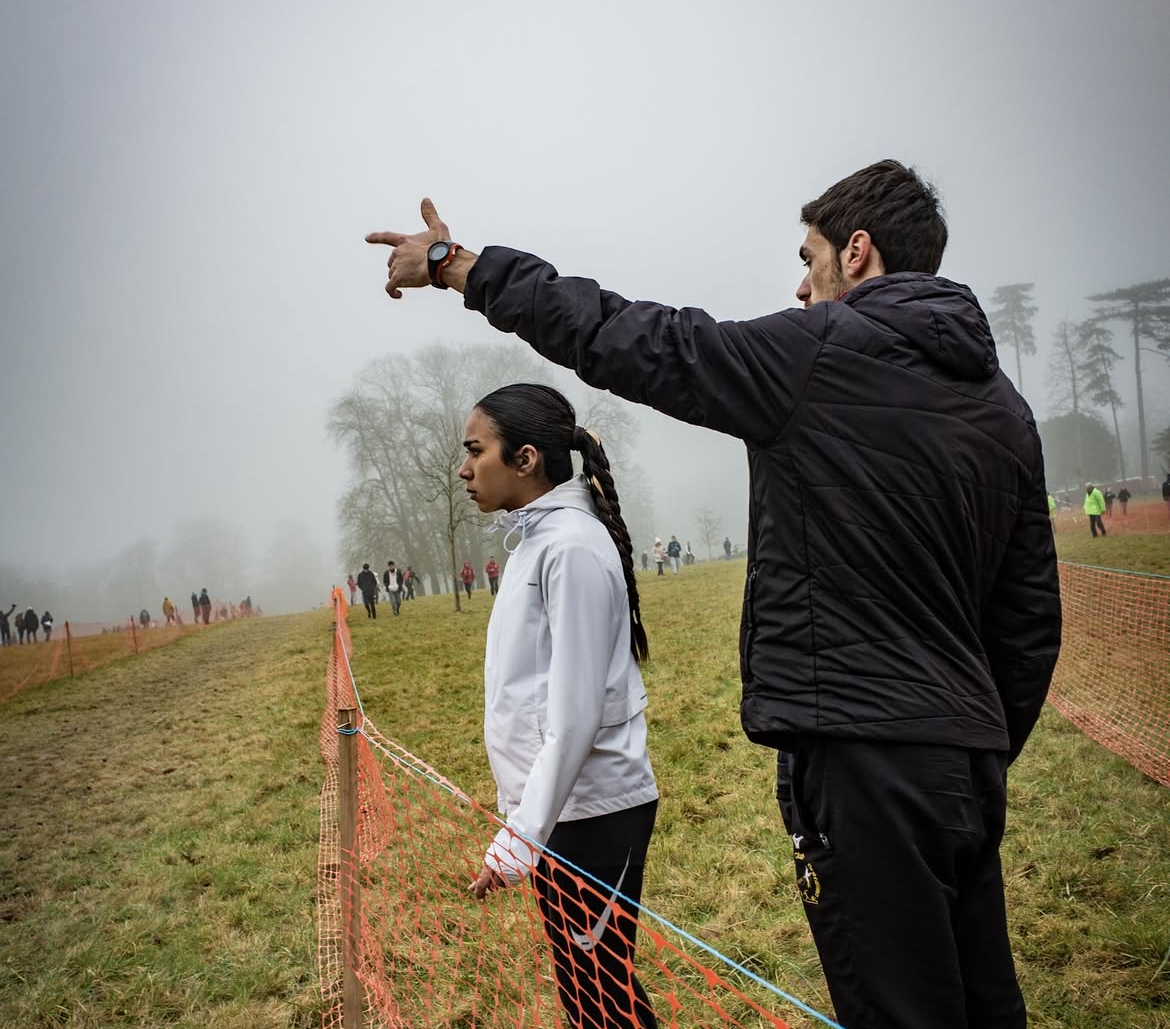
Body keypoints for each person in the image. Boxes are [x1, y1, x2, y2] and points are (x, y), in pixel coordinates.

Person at [367, 159, 1063, 1029]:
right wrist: (979, 741)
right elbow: (1030, 616)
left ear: (858, 252)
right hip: (967, 763)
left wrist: (458, 266)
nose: (800, 283)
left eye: (809, 259)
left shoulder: (813, 356)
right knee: (983, 1003)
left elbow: (631, 338)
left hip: (865, 765)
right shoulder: (1004, 407)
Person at [458, 383, 658, 1029]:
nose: (463, 468)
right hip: (560, 816)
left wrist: (516, 840)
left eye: (474, 450)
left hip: (592, 813)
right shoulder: (536, 542)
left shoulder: (569, 545)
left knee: (601, 1002)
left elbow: (573, 720)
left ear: (524, 459)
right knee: (596, 998)